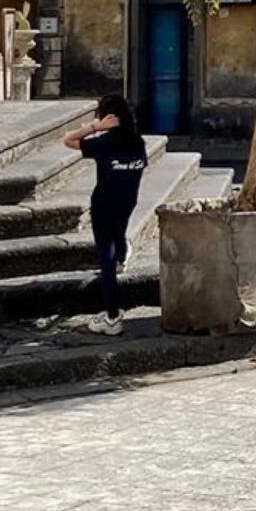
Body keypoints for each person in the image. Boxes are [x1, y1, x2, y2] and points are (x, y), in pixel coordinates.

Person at [64, 94, 147, 336]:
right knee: (119, 231)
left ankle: (111, 317)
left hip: (103, 204)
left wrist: (95, 127)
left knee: (105, 258)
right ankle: (122, 256)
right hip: (128, 201)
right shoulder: (138, 143)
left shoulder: (104, 143)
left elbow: (68, 140)